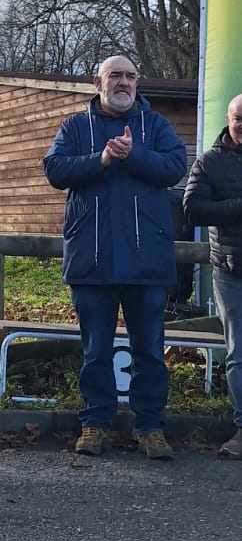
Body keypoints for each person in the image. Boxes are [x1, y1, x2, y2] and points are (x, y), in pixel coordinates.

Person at [44, 55, 186, 459]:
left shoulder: (155, 126)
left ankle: (151, 428)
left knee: (150, 351)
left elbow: (175, 166)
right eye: (115, 76)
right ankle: (94, 424)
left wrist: (133, 154)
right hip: (92, 259)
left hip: (148, 261)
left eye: (130, 76)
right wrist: (102, 160)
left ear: (137, 84)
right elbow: (54, 169)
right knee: (95, 352)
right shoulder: (75, 126)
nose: (123, 83)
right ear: (97, 82)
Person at [183, 93, 242, 458]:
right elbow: (193, 210)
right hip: (232, 272)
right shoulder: (210, 162)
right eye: (239, 118)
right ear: (228, 118)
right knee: (239, 352)